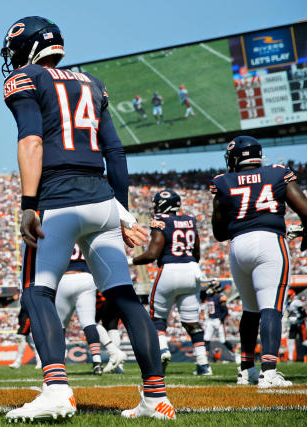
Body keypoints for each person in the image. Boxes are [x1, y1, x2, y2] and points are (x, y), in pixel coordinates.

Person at [1, 16, 175, 421]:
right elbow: (115, 152)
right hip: (100, 199)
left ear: (25, 48)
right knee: (123, 295)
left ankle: (57, 389)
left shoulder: (25, 78)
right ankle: (156, 397)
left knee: (36, 292)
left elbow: (31, 140)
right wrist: (123, 210)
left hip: (58, 200)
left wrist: (29, 204)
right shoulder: (92, 82)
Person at [210, 135, 307, 388]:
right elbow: (305, 209)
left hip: (238, 248)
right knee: (271, 308)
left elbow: (219, 233)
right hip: (269, 243)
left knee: (250, 310)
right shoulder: (277, 173)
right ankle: (269, 372)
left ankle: (246, 370)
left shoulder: (223, 182)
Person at [131, 190, 212, 376]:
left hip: (169, 270)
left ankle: (162, 350)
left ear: (162, 205)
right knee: (192, 322)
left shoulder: (161, 220)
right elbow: (197, 251)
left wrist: (133, 261)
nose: (155, 207)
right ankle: (203, 364)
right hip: (192, 271)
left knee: (157, 318)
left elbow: (152, 254)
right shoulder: (191, 220)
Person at [55, 244, 103, 375]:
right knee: (89, 323)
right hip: (86, 277)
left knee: (60, 325)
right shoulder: (85, 233)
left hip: (65, 277)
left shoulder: (61, 233)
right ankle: (97, 362)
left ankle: (59, 362)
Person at [95, 292, 127, 374]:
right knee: (112, 326)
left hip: (100, 295)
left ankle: (115, 354)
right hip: (114, 292)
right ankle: (118, 365)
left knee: (89, 322)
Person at [203, 280, 234, 356]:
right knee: (206, 338)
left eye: (211, 287)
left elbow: (225, 311)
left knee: (223, 340)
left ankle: (235, 352)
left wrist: (221, 319)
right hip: (210, 320)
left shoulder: (220, 297)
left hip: (218, 320)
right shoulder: (210, 297)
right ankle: (205, 356)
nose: (209, 288)